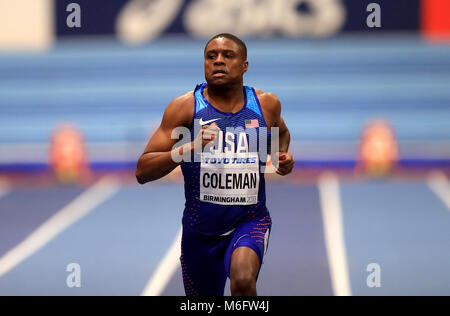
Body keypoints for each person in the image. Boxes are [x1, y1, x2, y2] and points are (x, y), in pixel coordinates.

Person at [136, 33, 293, 296]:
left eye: (227, 55)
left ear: (244, 65)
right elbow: (142, 171)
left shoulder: (266, 105)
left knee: (243, 280)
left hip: (249, 220)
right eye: (211, 56)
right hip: (200, 233)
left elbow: (282, 134)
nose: (218, 61)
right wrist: (189, 148)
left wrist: (281, 158)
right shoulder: (184, 109)